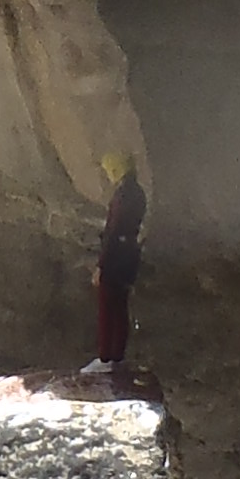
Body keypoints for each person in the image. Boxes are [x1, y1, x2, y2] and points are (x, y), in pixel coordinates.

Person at [91, 154, 145, 371]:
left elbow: (113, 231)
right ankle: (117, 358)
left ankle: (105, 359)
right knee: (121, 307)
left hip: (116, 256)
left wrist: (101, 266)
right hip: (130, 255)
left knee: (107, 307)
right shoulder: (138, 193)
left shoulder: (122, 195)